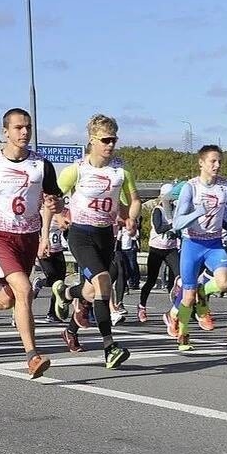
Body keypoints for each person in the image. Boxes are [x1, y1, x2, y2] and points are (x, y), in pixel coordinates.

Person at [0, 108, 63, 379]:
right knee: (24, 289)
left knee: (10, 298)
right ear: (5, 131)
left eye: (28, 127)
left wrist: (54, 211)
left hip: (28, 237)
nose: (25, 132)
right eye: (18, 127)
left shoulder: (42, 165)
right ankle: (32, 356)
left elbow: (54, 200)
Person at [51, 114, 140, 367]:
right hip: (81, 234)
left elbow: (133, 201)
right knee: (103, 284)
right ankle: (109, 347)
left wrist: (131, 217)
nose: (111, 145)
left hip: (106, 236)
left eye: (114, 139)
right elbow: (51, 197)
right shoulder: (77, 170)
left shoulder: (121, 171)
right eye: (106, 140)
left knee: (91, 292)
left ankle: (66, 294)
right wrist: (58, 215)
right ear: (92, 140)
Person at [169, 144, 227, 352]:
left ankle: (202, 290)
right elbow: (177, 222)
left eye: (219, 161)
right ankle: (183, 335)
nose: (217, 165)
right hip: (192, 243)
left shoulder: (226, 187)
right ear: (201, 163)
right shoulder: (190, 188)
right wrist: (197, 212)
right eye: (212, 161)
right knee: (188, 296)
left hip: (214, 242)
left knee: (225, 282)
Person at [137, 183, 180, 322]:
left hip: (171, 248)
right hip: (157, 248)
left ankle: (178, 307)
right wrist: (173, 226)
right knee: (151, 279)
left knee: (179, 278)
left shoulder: (176, 209)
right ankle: (142, 306)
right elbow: (159, 228)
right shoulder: (158, 210)